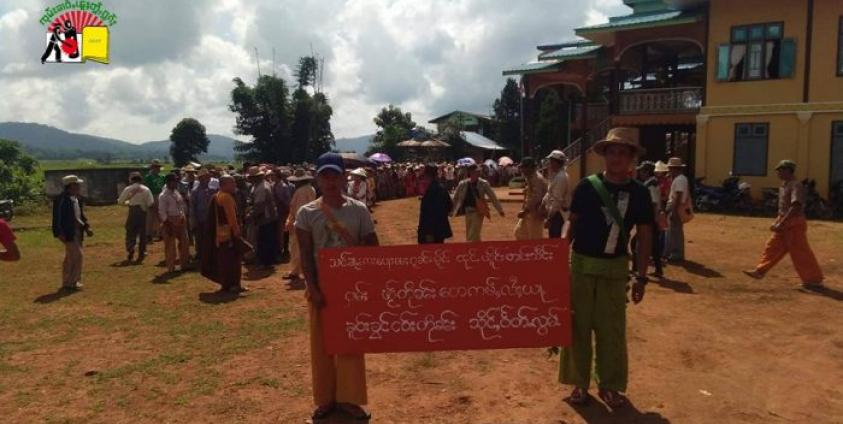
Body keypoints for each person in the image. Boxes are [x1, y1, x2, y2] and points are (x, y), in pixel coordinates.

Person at [559, 127, 653, 408]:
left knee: (612, 330)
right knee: (577, 327)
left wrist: (642, 277)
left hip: (615, 270)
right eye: (612, 151)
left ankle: (610, 386)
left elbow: (645, 235)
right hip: (582, 266)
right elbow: (571, 221)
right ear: (605, 155)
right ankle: (578, 384)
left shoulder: (639, 193)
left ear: (631, 158)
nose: (616, 157)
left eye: (623, 152)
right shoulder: (587, 186)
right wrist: (561, 246)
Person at [296, 152, 378, 421]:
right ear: (318, 179)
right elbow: (305, 255)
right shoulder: (306, 214)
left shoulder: (359, 210)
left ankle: (349, 399)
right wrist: (313, 287)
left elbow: (373, 246)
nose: (331, 181)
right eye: (325, 176)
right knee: (321, 347)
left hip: (352, 291)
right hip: (321, 290)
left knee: (351, 345)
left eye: (335, 175)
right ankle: (325, 399)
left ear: (344, 177)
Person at [743, 160, 824, 288]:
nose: (778, 173)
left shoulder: (795, 185)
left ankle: (813, 280)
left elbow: (795, 206)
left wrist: (782, 222)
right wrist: (779, 222)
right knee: (772, 247)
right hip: (784, 221)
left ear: (788, 171)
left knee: (800, 252)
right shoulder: (784, 186)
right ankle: (760, 271)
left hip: (794, 223)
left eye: (780, 171)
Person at [200, 174, 246, 293]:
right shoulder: (226, 197)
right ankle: (234, 284)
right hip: (229, 235)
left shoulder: (217, 196)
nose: (235, 185)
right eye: (232, 183)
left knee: (224, 260)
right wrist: (237, 232)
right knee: (233, 260)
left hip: (219, 235)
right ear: (224, 185)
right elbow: (231, 218)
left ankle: (227, 284)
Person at [52, 175, 93, 290]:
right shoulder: (61, 199)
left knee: (70, 256)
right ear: (72, 185)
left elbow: (80, 215)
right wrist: (59, 233)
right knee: (77, 255)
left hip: (77, 230)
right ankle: (72, 282)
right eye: (77, 184)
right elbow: (57, 217)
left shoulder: (76, 198)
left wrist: (87, 227)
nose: (79, 186)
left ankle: (68, 281)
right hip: (67, 232)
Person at [451, 164, 505, 242]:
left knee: (472, 235)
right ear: (470, 172)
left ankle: (471, 250)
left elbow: (493, 197)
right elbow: (455, 198)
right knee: (471, 233)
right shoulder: (462, 184)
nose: (478, 173)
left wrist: (500, 209)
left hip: (478, 211)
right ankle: (478, 250)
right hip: (467, 211)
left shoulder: (484, 183)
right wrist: (450, 209)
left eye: (478, 171)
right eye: (476, 171)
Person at [631, 162, 664, 278]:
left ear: (646, 172)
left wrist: (654, 219)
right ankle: (656, 269)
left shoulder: (651, 185)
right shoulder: (650, 183)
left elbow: (654, 203)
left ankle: (636, 268)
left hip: (650, 219)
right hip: (651, 219)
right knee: (652, 246)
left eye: (641, 171)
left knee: (636, 243)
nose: (640, 173)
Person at [285, 169, 317, 281]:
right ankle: (301, 270)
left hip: (300, 222)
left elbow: (299, 209)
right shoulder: (310, 189)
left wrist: (292, 222)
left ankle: (295, 271)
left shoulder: (301, 191)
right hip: (308, 222)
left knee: (296, 248)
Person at [117, 172, 154, 262]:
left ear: (131, 180)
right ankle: (142, 252)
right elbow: (150, 203)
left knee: (130, 231)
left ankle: (130, 249)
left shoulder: (128, 189)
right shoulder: (146, 189)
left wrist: (128, 202)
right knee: (142, 233)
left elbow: (120, 201)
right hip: (143, 212)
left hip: (132, 211)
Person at [247, 167, 279, 268]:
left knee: (264, 240)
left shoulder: (262, 188)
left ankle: (266, 262)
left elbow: (259, 207)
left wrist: (250, 215)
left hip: (265, 217)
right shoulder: (258, 185)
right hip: (265, 216)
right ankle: (267, 261)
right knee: (266, 239)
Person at [158, 173, 190, 273]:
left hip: (180, 219)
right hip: (169, 220)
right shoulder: (163, 195)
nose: (176, 183)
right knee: (170, 245)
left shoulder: (176, 193)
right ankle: (171, 267)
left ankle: (184, 265)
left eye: (176, 181)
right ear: (168, 182)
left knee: (185, 243)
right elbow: (162, 211)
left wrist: (183, 216)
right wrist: (167, 224)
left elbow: (181, 205)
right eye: (173, 181)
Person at [417, 163, 453, 244]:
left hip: (430, 232)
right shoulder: (442, 188)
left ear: (427, 175)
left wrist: (429, 233)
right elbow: (450, 207)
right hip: (440, 229)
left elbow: (429, 214)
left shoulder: (431, 191)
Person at [514, 157, 547, 240]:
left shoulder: (536, 179)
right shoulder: (530, 177)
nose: (522, 170)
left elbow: (536, 197)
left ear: (530, 167)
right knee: (519, 233)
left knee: (535, 238)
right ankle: (526, 251)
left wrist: (525, 210)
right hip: (529, 212)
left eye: (524, 167)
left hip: (535, 212)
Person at [190, 168, 217, 263]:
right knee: (200, 238)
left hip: (211, 219)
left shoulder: (212, 191)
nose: (208, 179)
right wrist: (193, 222)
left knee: (211, 238)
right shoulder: (195, 192)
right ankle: (201, 255)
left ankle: (211, 255)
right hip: (200, 219)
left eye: (208, 177)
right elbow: (192, 208)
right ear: (200, 179)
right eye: (205, 177)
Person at [665, 157, 689, 262]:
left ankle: (676, 253)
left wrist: (674, 211)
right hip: (676, 205)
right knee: (674, 230)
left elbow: (678, 196)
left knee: (675, 231)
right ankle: (674, 252)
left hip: (675, 206)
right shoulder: (680, 179)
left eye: (671, 168)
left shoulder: (679, 179)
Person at [543, 150, 570, 239]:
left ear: (557, 163)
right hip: (556, 213)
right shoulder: (556, 175)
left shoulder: (561, 177)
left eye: (551, 161)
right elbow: (549, 192)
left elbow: (557, 200)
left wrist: (549, 218)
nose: (549, 163)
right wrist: (543, 203)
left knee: (555, 240)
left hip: (558, 214)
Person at [272, 168, 293, 261]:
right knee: (278, 232)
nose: (271, 177)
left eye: (273, 175)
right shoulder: (274, 185)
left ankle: (284, 250)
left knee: (283, 232)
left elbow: (287, 201)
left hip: (282, 212)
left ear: (278, 176)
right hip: (276, 213)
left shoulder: (283, 186)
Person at [144, 160, 166, 242]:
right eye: (156, 167)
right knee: (150, 216)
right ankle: (149, 234)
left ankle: (161, 233)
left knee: (161, 216)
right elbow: (147, 189)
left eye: (159, 167)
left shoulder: (162, 177)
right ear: (152, 168)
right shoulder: (148, 177)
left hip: (161, 196)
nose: (158, 168)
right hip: (152, 195)